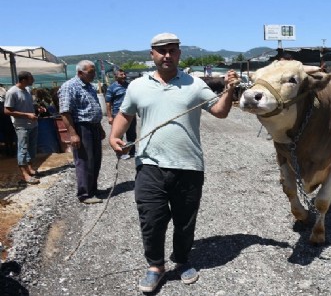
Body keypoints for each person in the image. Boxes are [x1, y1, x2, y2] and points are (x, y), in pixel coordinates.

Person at [109, 32, 236, 292]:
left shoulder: (195, 84)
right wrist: (114, 136)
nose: (167, 55)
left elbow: (220, 112)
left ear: (179, 54)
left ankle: (181, 260)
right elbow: (125, 114)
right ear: (152, 54)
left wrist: (230, 90)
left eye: (172, 50)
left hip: (189, 165)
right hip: (149, 165)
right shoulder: (137, 86)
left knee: (184, 220)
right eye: (161, 50)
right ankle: (155, 266)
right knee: (151, 218)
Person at [58, 60, 105, 204]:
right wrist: (73, 134)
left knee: (95, 160)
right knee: (85, 161)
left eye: (94, 72)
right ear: (79, 73)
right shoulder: (69, 87)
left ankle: (93, 189)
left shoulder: (89, 86)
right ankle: (85, 194)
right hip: (82, 127)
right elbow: (65, 112)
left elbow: (94, 108)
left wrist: (100, 127)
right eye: (90, 72)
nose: (93, 75)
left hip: (94, 126)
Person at [3, 71, 44, 184]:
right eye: (31, 79)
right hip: (21, 126)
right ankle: (24, 174)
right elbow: (7, 111)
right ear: (24, 80)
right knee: (23, 149)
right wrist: (26, 115)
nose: (33, 81)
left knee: (32, 148)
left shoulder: (27, 90)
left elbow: (29, 104)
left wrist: (38, 108)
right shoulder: (12, 92)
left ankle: (30, 169)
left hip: (33, 124)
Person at [105, 69, 136, 159]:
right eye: (121, 74)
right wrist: (110, 117)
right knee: (119, 135)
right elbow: (108, 103)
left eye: (124, 74)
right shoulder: (112, 88)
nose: (124, 76)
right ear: (115, 76)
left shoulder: (129, 86)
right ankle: (120, 153)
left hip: (131, 114)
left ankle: (132, 152)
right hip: (118, 115)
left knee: (132, 134)